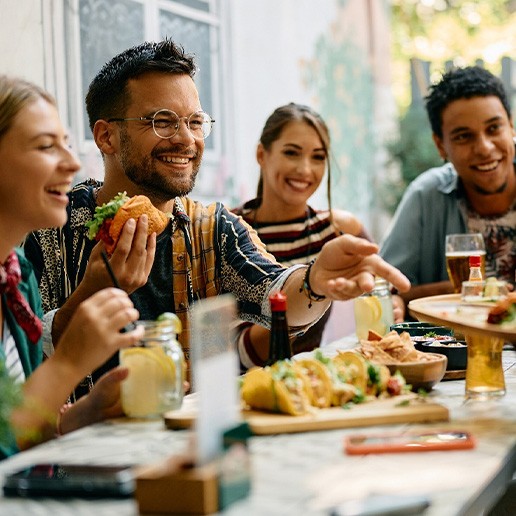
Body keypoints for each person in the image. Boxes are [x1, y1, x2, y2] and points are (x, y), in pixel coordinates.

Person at [24, 39, 410, 397]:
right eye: (162, 121)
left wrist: (316, 280)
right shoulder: (46, 228)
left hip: (190, 451)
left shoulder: (212, 229)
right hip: (75, 460)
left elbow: (277, 291)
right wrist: (90, 294)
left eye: (195, 122)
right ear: (106, 137)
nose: (186, 139)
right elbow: (20, 360)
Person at [0, 75, 143, 458]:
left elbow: (20, 430)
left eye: (66, 143)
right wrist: (67, 364)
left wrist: (88, 410)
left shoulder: (16, 278)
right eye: (47, 146)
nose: (73, 163)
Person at [232, 103, 404, 361]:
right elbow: (231, 350)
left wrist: (392, 306)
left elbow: (386, 294)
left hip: (314, 381)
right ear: (261, 154)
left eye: (318, 157)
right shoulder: (228, 230)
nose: (305, 169)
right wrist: (310, 287)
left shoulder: (339, 229)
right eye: (292, 153)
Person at [381, 66, 516, 304]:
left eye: (494, 128)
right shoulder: (425, 196)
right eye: (464, 136)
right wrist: (466, 291)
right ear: (441, 145)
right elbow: (385, 290)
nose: (484, 147)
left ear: (511, 126)